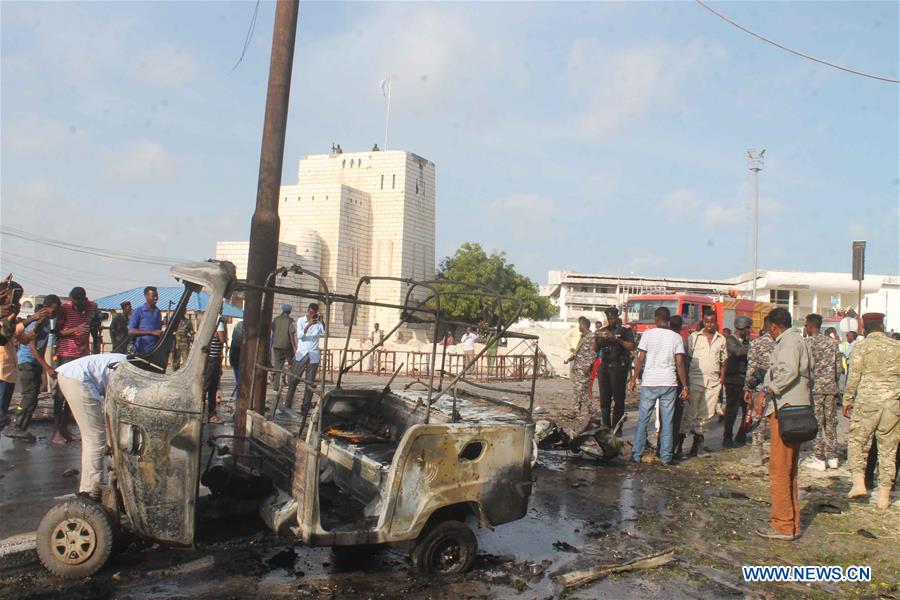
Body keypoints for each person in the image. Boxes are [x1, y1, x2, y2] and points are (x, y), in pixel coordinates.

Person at [754, 307, 812, 541]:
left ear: (773, 326)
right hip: (794, 409)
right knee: (788, 469)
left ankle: (782, 525)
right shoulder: (796, 340)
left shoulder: (788, 342)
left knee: (779, 469)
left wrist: (767, 390)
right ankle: (791, 522)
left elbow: (787, 371)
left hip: (786, 410)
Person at [842, 313, 899, 510]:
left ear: (863, 327)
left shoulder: (861, 347)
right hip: (893, 403)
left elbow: (854, 376)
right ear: (882, 325)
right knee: (888, 450)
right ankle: (884, 495)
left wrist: (847, 400)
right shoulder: (897, 346)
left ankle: (859, 482)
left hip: (868, 400)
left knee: (857, 441)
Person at [56, 353, 128, 498]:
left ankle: (92, 488)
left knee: (96, 438)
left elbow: (110, 410)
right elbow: (112, 409)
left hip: (72, 375)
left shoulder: (129, 363)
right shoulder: (132, 373)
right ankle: (90, 492)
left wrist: (111, 440)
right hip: (78, 379)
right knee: (94, 440)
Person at [629, 307, 689, 465]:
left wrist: (633, 379)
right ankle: (666, 457)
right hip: (669, 382)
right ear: (668, 320)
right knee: (667, 421)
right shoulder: (676, 337)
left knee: (643, 419)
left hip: (649, 382)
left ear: (656, 319)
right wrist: (685, 386)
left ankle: (636, 454)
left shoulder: (648, 334)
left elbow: (640, 359)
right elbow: (680, 363)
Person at [5, 296, 61, 441]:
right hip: (27, 362)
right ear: (46, 306)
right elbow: (32, 348)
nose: (55, 313)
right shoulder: (37, 321)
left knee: (33, 398)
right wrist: (47, 367)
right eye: (53, 309)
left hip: (33, 364)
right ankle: (15, 425)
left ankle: (21, 430)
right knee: (29, 396)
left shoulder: (47, 322)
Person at [54, 287, 97, 444]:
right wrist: (76, 329)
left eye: (78, 302)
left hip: (83, 355)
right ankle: (56, 431)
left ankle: (65, 429)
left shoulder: (92, 306)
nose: (75, 304)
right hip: (67, 354)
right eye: (73, 301)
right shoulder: (65, 308)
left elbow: (94, 318)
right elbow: (57, 333)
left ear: (84, 300)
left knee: (75, 394)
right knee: (60, 394)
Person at [681, 309, 726, 456]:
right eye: (706, 322)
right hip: (695, 379)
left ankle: (697, 445)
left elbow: (724, 361)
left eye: (712, 322)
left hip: (713, 382)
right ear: (703, 321)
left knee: (706, 414)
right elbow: (687, 358)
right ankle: (678, 444)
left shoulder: (721, 339)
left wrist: (721, 380)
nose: (709, 325)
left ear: (716, 322)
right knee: (690, 412)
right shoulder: (694, 337)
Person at [802, 313, 843, 471]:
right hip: (831, 388)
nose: (805, 328)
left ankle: (819, 458)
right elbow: (838, 367)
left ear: (811, 326)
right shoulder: (832, 343)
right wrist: (835, 382)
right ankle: (833, 457)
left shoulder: (807, 343)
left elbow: (804, 367)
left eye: (806, 325)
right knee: (831, 422)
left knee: (817, 423)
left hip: (815, 389)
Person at [284, 303, 325, 431]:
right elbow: (300, 336)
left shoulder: (318, 323)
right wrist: (308, 325)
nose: (313, 315)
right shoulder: (301, 320)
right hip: (301, 354)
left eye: (315, 313)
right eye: (311, 313)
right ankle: (288, 404)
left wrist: (322, 321)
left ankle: (305, 408)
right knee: (294, 380)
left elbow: (324, 332)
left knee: (309, 383)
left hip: (313, 356)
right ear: (308, 311)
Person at [742, 317, 776, 466]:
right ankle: (777, 455)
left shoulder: (757, 343)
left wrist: (747, 388)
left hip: (760, 387)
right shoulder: (783, 343)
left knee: (758, 421)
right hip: (779, 388)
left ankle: (757, 454)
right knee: (776, 422)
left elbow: (751, 368)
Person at [596, 307, 635, 429]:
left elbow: (631, 346)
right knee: (604, 399)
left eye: (612, 317)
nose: (610, 320)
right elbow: (595, 348)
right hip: (605, 366)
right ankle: (606, 428)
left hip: (619, 366)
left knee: (618, 399)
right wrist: (595, 338)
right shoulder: (603, 330)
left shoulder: (625, 331)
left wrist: (616, 339)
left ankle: (617, 428)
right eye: (608, 318)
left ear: (617, 316)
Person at [723, 316, 752, 447]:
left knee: (748, 411)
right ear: (744, 328)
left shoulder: (745, 342)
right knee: (732, 411)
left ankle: (741, 435)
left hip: (743, 380)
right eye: (748, 328)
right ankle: (727, 438)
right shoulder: (730, 340)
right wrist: (753, 347)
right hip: (733, 380)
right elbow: (737, 352)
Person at [567, 317, 595, 415]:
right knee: (577, 388)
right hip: (579, 366)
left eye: (580, 325)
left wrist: (588, 365)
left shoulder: (591, 336)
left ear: (583, 325)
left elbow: (593, 352)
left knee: (581, 389)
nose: (579, 327)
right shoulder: (583, 336)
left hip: (584, 367)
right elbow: (579, 352)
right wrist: (573, 363)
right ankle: (577, 409)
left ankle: (590, 408)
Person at [0, 302, 20, 432]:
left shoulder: (10, 321)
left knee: (2, 412)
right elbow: (3, 340)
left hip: (8, 371)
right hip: (2, 371)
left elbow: (22, 336)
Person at [204, 316, 226, 424]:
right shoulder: (219, 320)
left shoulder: (209, 319)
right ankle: (210, 415)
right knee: (210, 387)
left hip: (210, 358)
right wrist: (224, 337)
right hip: (214, 358)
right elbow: (222, 338)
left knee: (208, 386)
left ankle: (205, 413)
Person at [128, 286, 162, 354]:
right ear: (146, 296)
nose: (156, 298)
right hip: (141, 351)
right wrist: (151, 332)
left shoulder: (157, 312)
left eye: (157, 296)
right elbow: (131, 331)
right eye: (153, 296)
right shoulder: (138, 311)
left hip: (155, 350)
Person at [271, 304, 296, 391]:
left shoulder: (276, 319)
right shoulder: (289, 321)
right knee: (292, 364)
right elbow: (291, 333)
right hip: (287, 346)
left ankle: (275, 386)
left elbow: (273, 329)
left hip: (276, 345)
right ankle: (291, 384)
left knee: (278, 365)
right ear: (289, 311)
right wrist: (294, 346)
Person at [587, 320, 604, 402]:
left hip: (601, 357)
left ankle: (602, 395)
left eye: (600, 327)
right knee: (592, 377)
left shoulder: (603, 334)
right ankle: (589, 394)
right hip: (596, 358)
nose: (599, 328)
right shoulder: (594, 335)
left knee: (602, 378)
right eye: (598, 327)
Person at [229, 319, 243, 399]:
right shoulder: (238, 342)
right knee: (239, 380)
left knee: (238, 379)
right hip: (237, 361)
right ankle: (238, 397)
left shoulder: (235, 339)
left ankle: (237, 396)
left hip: (235, 360)